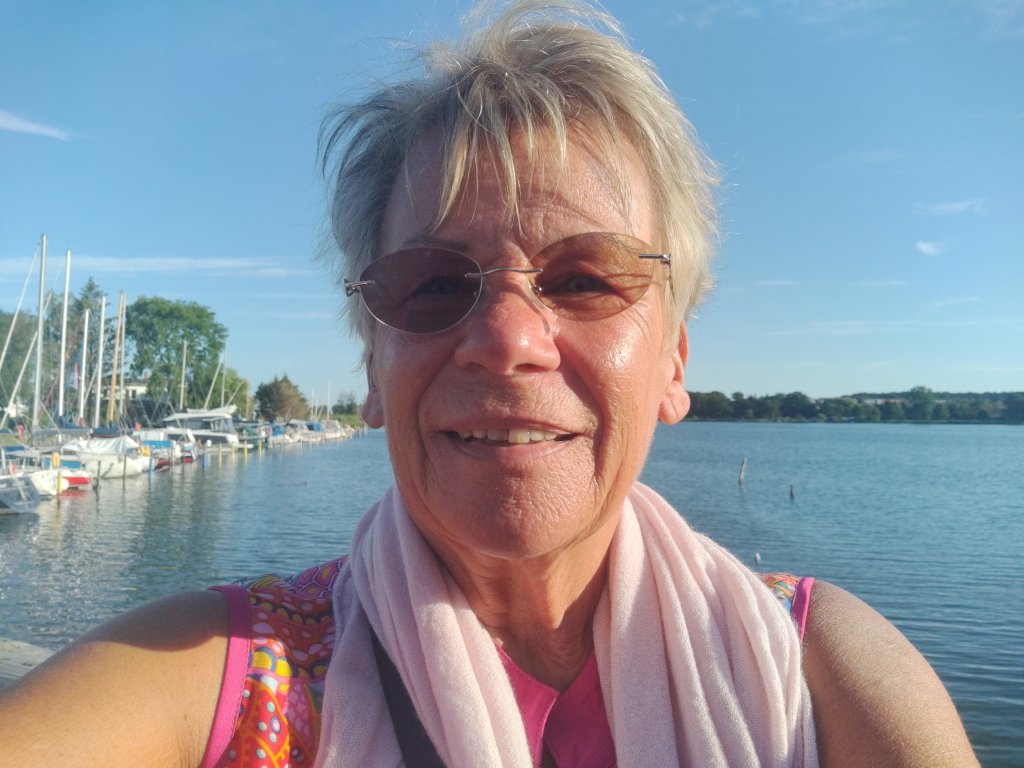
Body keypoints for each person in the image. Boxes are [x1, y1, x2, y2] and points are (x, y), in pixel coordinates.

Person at [0, 1, 979, 766]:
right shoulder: (207, 674)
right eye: (432, 285)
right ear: (372, 368)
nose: (506, 340)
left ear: (674, 361)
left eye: (585, 279)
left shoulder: (821, 669)